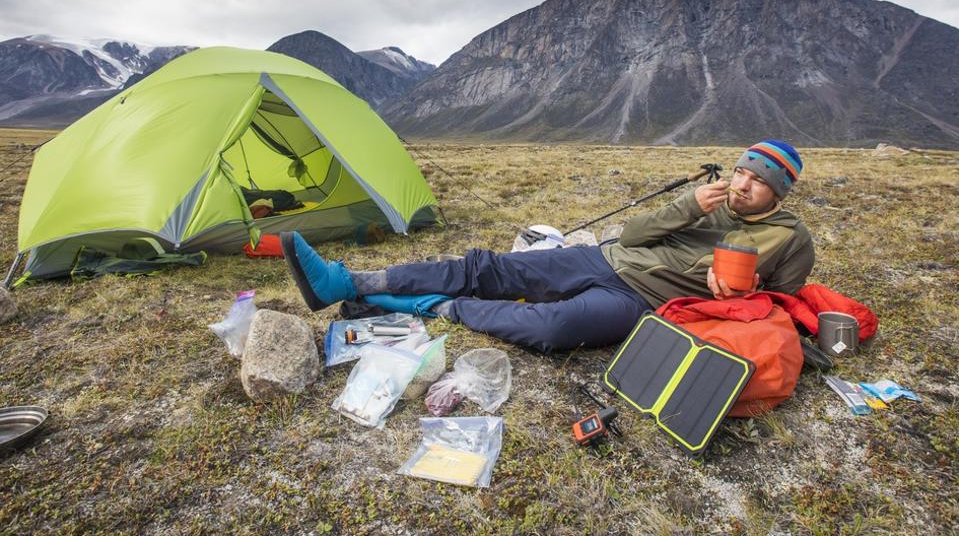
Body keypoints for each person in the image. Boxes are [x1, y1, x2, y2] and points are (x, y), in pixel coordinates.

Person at [281, 140, 814, 353]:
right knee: (491, 269)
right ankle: (349, 283)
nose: (742, 185)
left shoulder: (789, 239)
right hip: (601, 257)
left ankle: (431, 306)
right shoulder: (709, 200)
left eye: (757, 180)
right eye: (742, 171)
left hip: (641, 301)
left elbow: (782, 308)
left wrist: (732, 300)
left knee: (551, 328)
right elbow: (631, 236)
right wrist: (689, 206)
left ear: (778, 190)